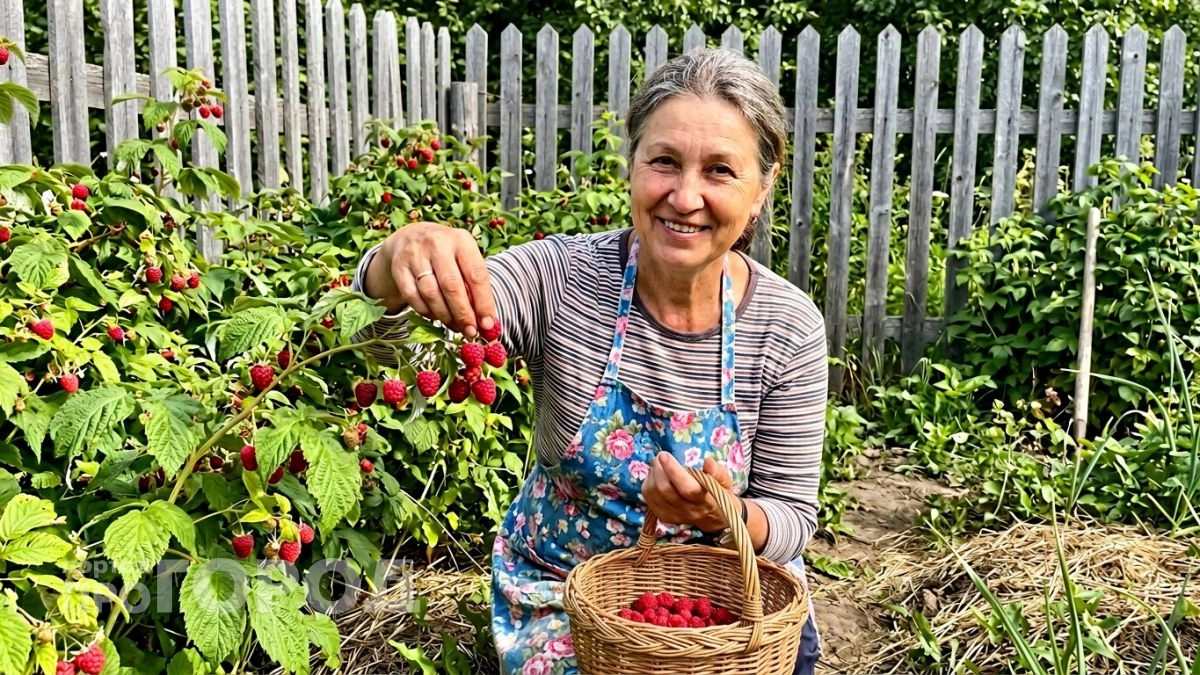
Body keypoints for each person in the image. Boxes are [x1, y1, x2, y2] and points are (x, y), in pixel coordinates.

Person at [351, 47, 826, 675]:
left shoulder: (787, 325)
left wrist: (726, 515)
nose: (685, 196)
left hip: (723, 605)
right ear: (632, 167)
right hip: (569, 593)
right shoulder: (562, 279)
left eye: (719, 171)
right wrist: (395, 264)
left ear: (762, 189)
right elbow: (395, 346)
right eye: (663, 161)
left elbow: (793, 518)